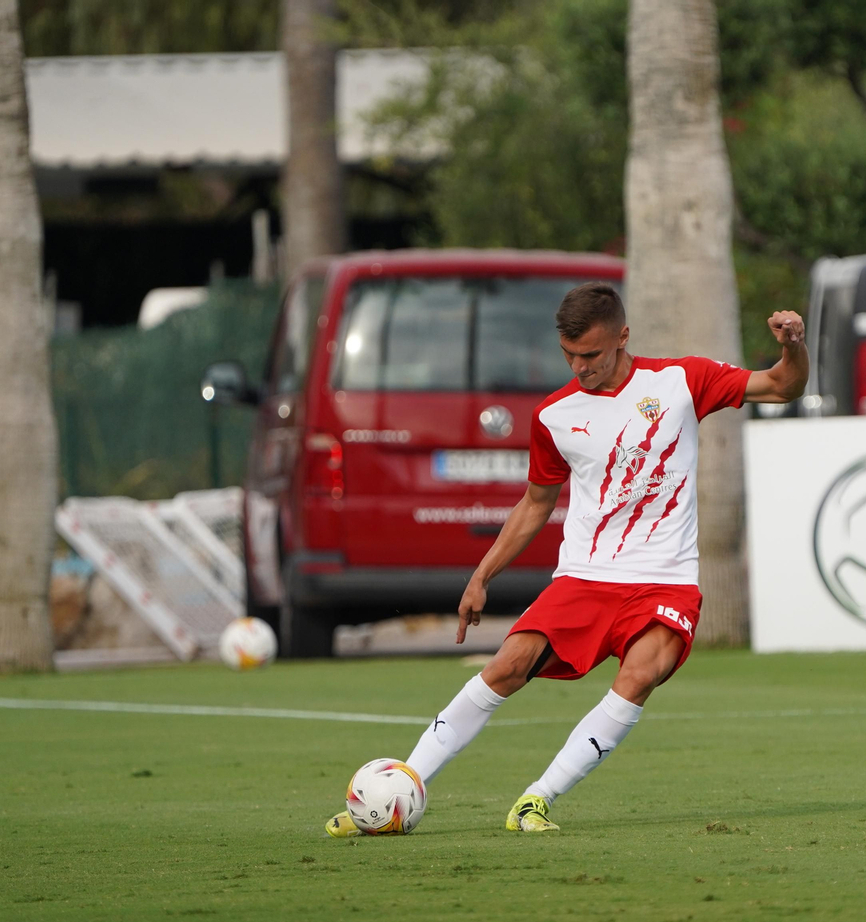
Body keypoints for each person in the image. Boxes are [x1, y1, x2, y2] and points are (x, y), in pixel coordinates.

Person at [327, 282, 808, 836]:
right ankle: (401, 786)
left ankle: (537, 799)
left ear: (623, 337)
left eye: (592, 356)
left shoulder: (680, 381)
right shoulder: (555, 415)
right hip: (584, 578)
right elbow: (536, 503)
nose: (580, 367)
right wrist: (481, 575)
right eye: (569, 356)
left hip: (664, 582)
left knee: (641, 673)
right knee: (506, 667)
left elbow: (782, 385)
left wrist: (793, 345)